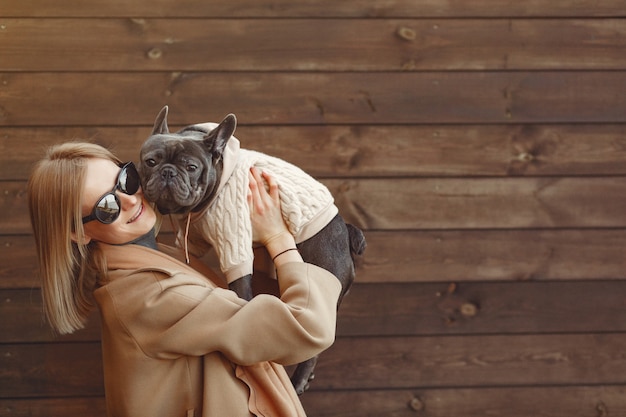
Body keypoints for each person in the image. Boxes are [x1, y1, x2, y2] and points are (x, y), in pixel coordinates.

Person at [27, 142, 342, 417]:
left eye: (126, 179)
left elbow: (246, 311)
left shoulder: (156, 259)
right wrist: (278, 238)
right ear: (79, 233)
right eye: (107, 207)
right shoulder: (155, 292)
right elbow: (308, 326)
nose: (131, 200)